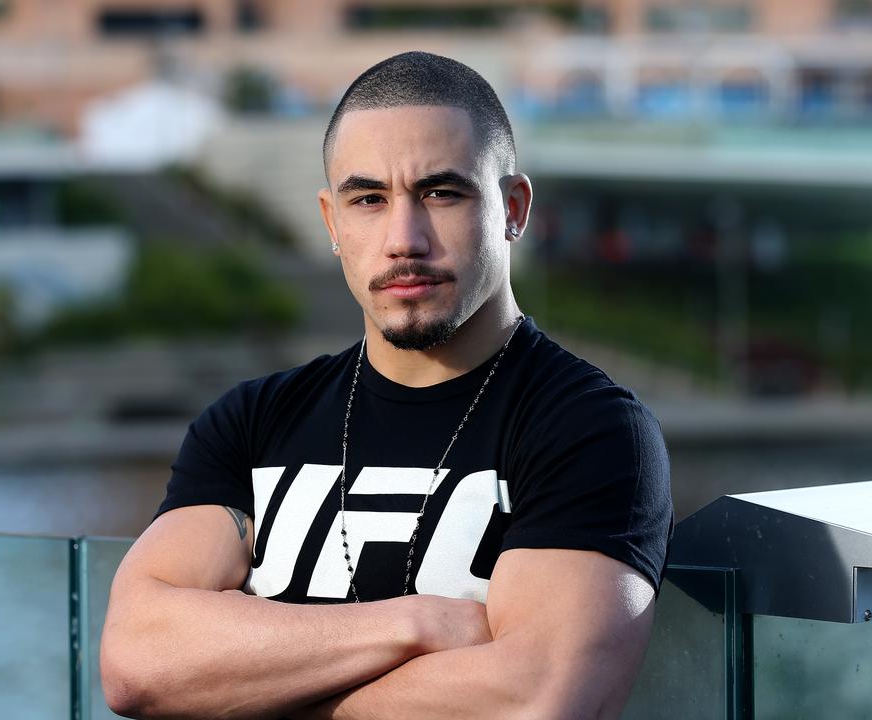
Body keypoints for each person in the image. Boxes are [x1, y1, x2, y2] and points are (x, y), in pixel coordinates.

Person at [100, 51, 673, 720]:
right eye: (368, 199)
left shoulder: (587, 430)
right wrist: (420, 626)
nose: (404, 239)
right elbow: (138, 660)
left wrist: (254, 691)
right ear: (332, 223)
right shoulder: (252, 421)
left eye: (441, 192)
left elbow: (537, 700)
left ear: (513, 207)